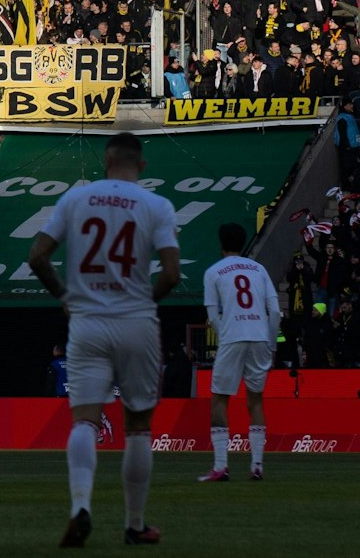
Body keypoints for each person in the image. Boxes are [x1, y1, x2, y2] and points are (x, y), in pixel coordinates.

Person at [28, 133, 181, 547]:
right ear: (142, 165)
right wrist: (141, 303)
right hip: (136, 323)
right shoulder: (157, 205)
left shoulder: (77, 199)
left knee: (84, 420)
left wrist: (64, 297)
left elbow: (37, 256)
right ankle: (134, 524)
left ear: (106, 161)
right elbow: (170, 274)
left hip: (87, 321)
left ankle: (81, 506)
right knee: (137, 428)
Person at [198, 222, 279, 482]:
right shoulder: (259, 269)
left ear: (221, 243)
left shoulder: (213, 272)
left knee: (220, 399)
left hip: (233, 337)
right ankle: (257, 465)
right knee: (255, 400)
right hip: (259, 336)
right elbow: (276, 311)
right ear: (244, 243)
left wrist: (224, 340)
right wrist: (271, 342)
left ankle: (221, 466)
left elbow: (212, 316)